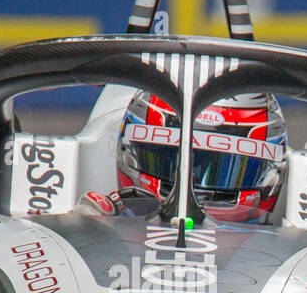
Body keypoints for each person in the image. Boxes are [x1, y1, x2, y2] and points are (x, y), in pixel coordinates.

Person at [81, 90, 287, 222]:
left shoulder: (294, 244)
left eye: (222, 168)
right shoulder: (101, 215)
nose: (192, 194)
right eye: (167, 159)